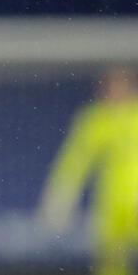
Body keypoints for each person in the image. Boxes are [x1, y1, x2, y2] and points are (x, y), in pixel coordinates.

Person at [38, 66, 138, 275]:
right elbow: (75, 161)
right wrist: (60, 198)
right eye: (111, 86)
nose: (116, 91)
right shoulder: (95, 120)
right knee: (110, 260)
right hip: (109, 204)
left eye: (121, 85)